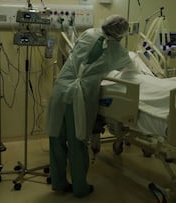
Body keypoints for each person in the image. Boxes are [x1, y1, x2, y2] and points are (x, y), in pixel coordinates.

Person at [45, 15, 132, 198]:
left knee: (56, 137)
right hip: (81, 94)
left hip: (61, 89)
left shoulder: (88, 33)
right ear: (120, 34)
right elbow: (129, 70)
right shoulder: (117, 50)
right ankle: (80, 188)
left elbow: (76, 54)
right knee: (77, 141)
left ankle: (59, 183)